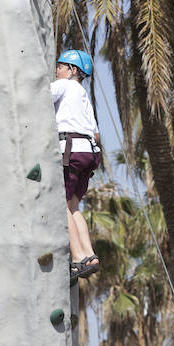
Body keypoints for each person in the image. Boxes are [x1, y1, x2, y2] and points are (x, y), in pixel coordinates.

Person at [50, 49, 101, 279]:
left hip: (69, 150)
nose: (56, 70)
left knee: (61, 205)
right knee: (73, 206)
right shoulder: (82, 94)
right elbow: (97, 134)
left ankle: (78, 257)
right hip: (89, 153)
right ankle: (90, 255)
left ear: (73, 71)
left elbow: (40, 97)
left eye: (60, 67)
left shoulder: (65, 85)